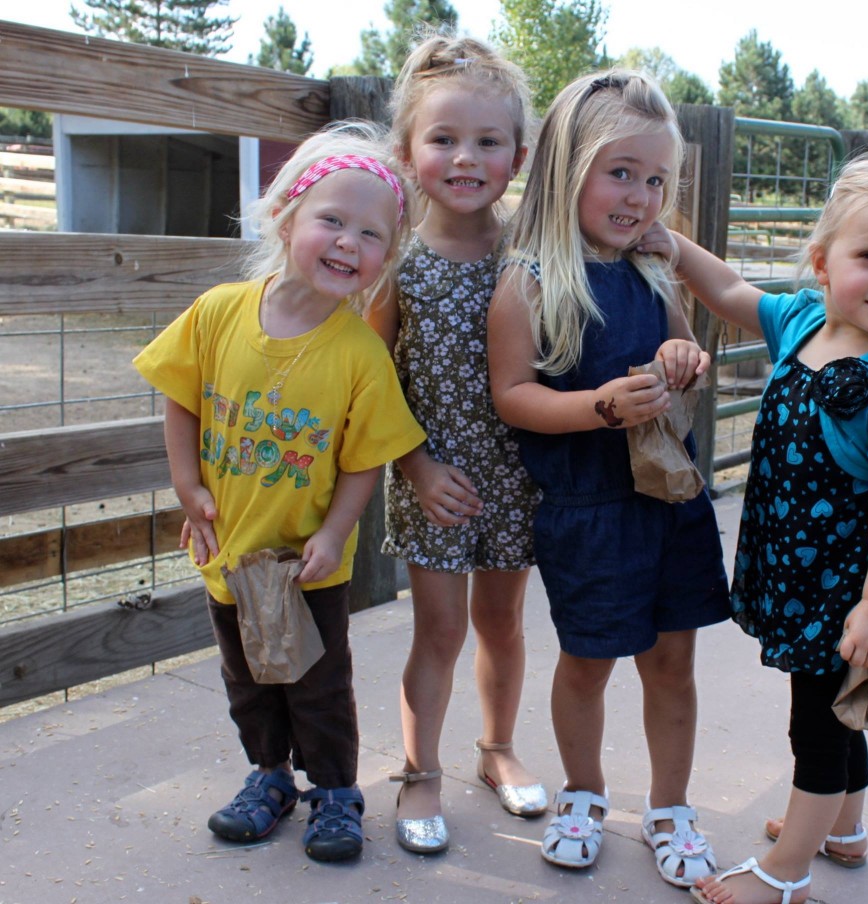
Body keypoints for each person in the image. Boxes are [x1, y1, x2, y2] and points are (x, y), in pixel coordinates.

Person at [637, 150, 868, 904]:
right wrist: (673, 246)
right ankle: (842, 830)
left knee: (817, 729)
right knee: (839, 714)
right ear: (822, 262)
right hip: (791, 571)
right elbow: (728, 290)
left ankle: (786, 876)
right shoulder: (805, 324)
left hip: (844, 591)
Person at [133, 122, 426, 863]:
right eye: (332, 220)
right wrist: (185, 483)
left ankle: (334, 790)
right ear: (286, 216)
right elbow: (181, 395)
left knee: (318, 683)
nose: (348, 243)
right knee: (246, 678)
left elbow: (366, 457)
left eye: (371, 235)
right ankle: (269, 777)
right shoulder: (219, 312)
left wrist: (335, 533)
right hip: (228, 550)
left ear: (385, 258)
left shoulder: (360, 354)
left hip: (306, 563)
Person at [487, 69, 731, 886]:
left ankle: (670, 806)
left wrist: (680, 359)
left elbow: (684, 357)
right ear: (567, 169)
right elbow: (514, 397)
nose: (640, 197)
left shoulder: (655, 270)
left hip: (668, 502)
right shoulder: (529, 282)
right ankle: (584, 792)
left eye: (657, 179)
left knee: (672, 664)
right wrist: (596, 405)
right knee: (587, 663)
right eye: (620, 172)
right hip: (587, 510)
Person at [365, 33, 545, 854]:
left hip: (517, 475)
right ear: (408, 152)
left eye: (487, 140)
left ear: (519, 154)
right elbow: (370, 381)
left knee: (503, 624)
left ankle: (498, 747)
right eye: (443, 139)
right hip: (431, 472)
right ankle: (419, 770)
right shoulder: (394, 259)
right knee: (438, 631)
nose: (465, 157)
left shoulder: (534, 256)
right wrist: (415, 463)